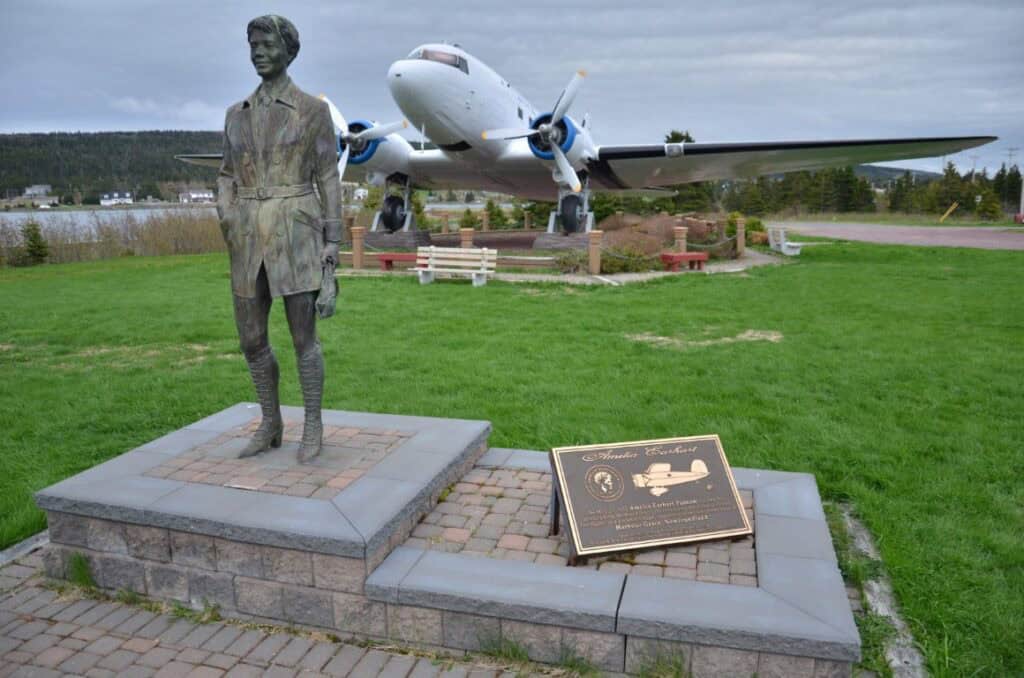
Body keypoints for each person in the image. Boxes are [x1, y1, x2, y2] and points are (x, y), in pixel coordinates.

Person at [216, 14, 341, 462]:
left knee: (303, 337)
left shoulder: (312, 111)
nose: (258, 52)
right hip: (248, 236)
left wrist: (332, 243)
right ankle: (270, 422)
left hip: (297, 232)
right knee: (251, 339)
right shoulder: (236, 115)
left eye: (267, 44)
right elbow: (226, 174)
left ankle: (313, 424)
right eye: (253, 45)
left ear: (288, 50)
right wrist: (228, 215)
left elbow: (328, 178)